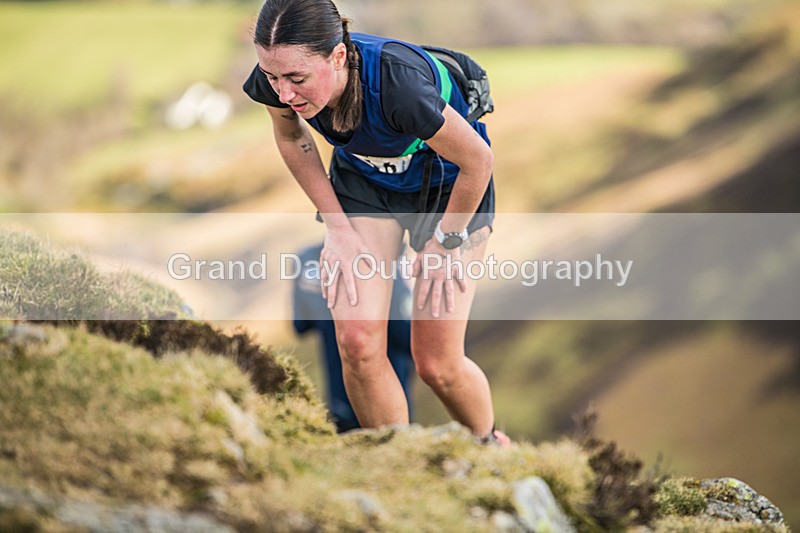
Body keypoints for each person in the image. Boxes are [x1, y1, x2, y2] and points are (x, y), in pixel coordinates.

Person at [244, 0, 509, 446]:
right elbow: (292, 136)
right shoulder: (279, 78)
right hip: (365, 185)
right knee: (358, 342)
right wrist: (338, 228)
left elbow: (478, 161)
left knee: (436, 362)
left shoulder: (396, 85)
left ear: (339, 57)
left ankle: (490, 448)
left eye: (297, 79)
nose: (283, 93)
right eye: (272, 78)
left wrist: (446, 243)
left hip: (445, 192)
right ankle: (396, 460)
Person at [292, 242, 415, 433]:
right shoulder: (383, 258)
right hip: (388, 397)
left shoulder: (308, 258)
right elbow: (405, 335)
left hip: (338, 398)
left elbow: (300, 325)